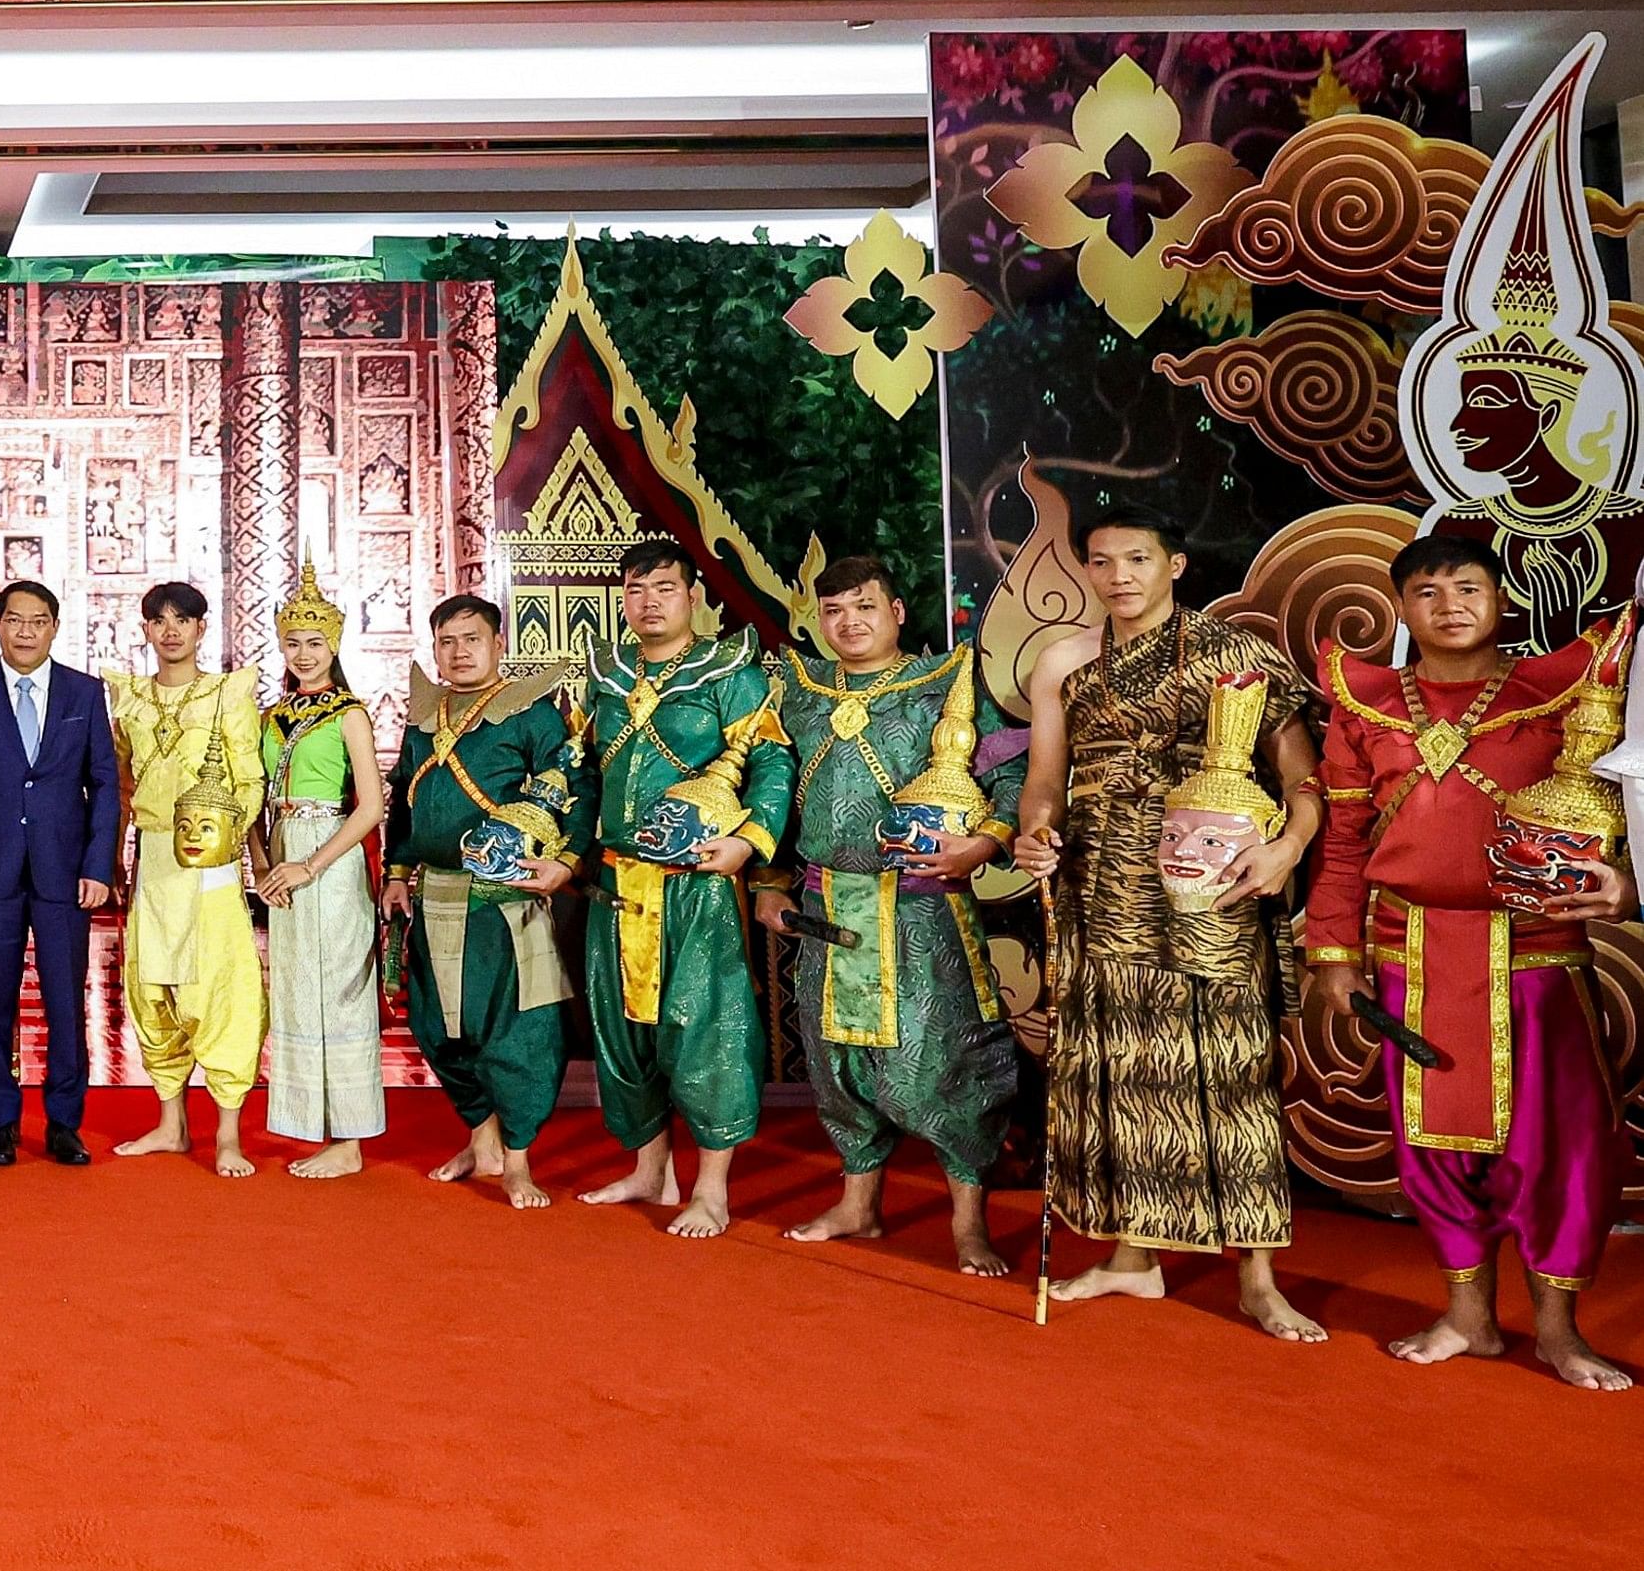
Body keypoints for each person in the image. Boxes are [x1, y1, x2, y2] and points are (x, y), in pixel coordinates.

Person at [1305, 538, 1634, 1387]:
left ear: (1500, 595)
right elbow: (1342, 843)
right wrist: (1333, 954)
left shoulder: (1561, 690)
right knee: (1430, 1146)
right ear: (1402, 609)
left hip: (1535, 956)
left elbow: (1618, 818)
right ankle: (1469, 1317)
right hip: (1407, 954)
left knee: (1561, 1149)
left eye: (1467, 585)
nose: (1449, 602)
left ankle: (1560, 1330)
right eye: (1426, 591)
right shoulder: (1367, 702)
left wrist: (1623, 884)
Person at [1013, 503, 1325, 1340]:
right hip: (1104, 879)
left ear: (1175, 565)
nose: (1120, 576)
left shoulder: (1236, 656)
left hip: (1213, 879)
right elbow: (1045, 778)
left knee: (1228, 1069)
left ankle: (1257, 1274)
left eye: (1139, 559)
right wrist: (1034, 829)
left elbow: (1303, 776)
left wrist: (1287, 849)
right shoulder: (1065, 662)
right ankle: (1131, 1256)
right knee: (1121, 1064)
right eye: (1104, 561)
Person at [754, 554, 1026, 1275]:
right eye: (834, 611)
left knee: (940, 1065)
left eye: (865, 607)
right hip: (825, 907)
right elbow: (773, 798)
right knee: (834, 1064)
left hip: (921, 909)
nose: (849, 623)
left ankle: (970, 1223)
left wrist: (984, 844)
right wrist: (769, 881)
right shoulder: (800, 692)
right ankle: (858, 1204)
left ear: (897, 611)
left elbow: (1010, 776)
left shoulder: (948, 683)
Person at [567, 537, 791, 1240]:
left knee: (706, 1029)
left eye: (664, 588)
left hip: (695, 884)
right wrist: (564, 853)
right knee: (623, 1033)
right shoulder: (606, 674)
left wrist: (750, 844)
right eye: (635, 590)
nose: (649, 602)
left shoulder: (730, 672)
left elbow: (772, 764)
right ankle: (649, 1167)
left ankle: (713, 1189)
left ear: (694, 594)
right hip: (614, 882)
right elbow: (581, 776)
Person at [385, 593, 579, 1210]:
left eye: (472, 639)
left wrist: (565, 861)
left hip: (506, 898)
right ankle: (482, 1141)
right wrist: (395, 873)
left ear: (499, 645)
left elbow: (574, 786)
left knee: (517, 1031)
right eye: (446, 641)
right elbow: (402, 804)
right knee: (438, 1026)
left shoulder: (533, 714)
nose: (459, 651)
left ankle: (518, 1160)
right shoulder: (424, 719)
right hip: (435, 893)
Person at [0, 579, 119, 1165]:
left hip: (65, 875)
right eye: (15, 620)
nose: (26, 631)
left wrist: (99, 864)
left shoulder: (84, 693)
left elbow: (106, 785)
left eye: (38, 621)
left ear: (54, 627)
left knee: (65, 1001)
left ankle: (65, 1122)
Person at [105, 582, 269, 1175]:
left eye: (184, 619)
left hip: (210, 860)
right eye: (159, 620)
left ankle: (228, 1133)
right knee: (152, 989)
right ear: (145, 629)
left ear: (203, 629)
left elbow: (250, 779)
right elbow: (121, 788)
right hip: (152, 858)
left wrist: (223, 836)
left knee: (219, 988)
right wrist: (115, 858)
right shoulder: (127, 700)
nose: (171, 630)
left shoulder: (227, 693)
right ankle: (171, 1124)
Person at [252, 563, 391, 1177]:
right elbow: (252, 795)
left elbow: (371, 806)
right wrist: (262, 863)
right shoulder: (270, 718)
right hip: (280, 852)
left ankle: (351, 1139)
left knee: (338, 987)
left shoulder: (349, 714)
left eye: (314, 643)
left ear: (333, 645)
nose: (302, 654)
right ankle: (312, 1125)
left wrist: (311, 864)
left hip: (327, 853)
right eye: (292, 643)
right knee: (296, 990)